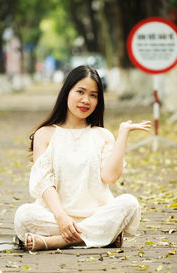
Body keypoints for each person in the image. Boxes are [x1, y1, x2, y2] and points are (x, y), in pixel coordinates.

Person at [14, 65, 151, 251]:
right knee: (23, 216)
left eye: (93, 95)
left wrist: (123, 134)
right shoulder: (45, 134)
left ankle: (57, 241)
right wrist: (62, 218)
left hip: (96, 214)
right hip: (55, 216)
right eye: (80, 92)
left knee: (130, 203)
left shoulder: (102, 135)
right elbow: (44, 182)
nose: (86, 100)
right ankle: (100, 236)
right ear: (67, 92)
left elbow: (110, 177)